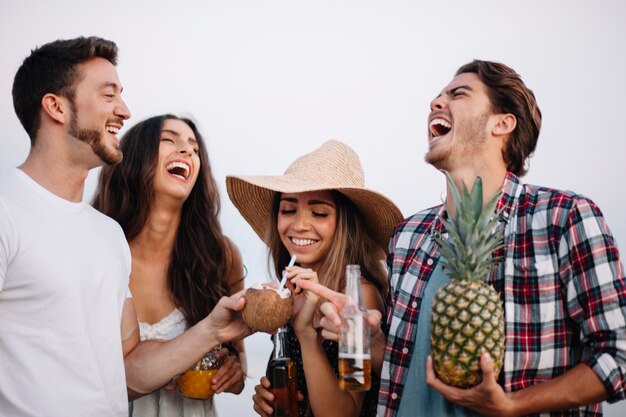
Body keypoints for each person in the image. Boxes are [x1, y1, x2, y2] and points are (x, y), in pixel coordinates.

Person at [297, 60, 626, 417]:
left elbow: (618, 355)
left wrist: (513, 404)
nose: (436, 103)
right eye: (438, 96)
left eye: (457, 94)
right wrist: (370, 340)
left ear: (503, 122)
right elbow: (402, 370)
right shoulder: (408, 237)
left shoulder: (563, 218)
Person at [0, 36, 251, 417]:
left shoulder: (107, 235)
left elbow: (127, 373)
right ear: (56, 107)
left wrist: (212, 330)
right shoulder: (7, 212)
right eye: (108, 95)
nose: (125, 110)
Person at [226, 140, 403, 417]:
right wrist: (268, 399)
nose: (299, 225)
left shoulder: (358, 297)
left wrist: (306, 334)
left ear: (344, 224)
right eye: (288, 209)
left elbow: (345, 413)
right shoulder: (291, 291)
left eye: (319, 213)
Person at [92, 114, 247, 416]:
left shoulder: (221, 255)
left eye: (194, 148)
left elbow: (237, 364)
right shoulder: (95, 247)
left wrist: (233, 371)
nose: (187, 150)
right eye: (169, 140)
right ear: (135, 156)